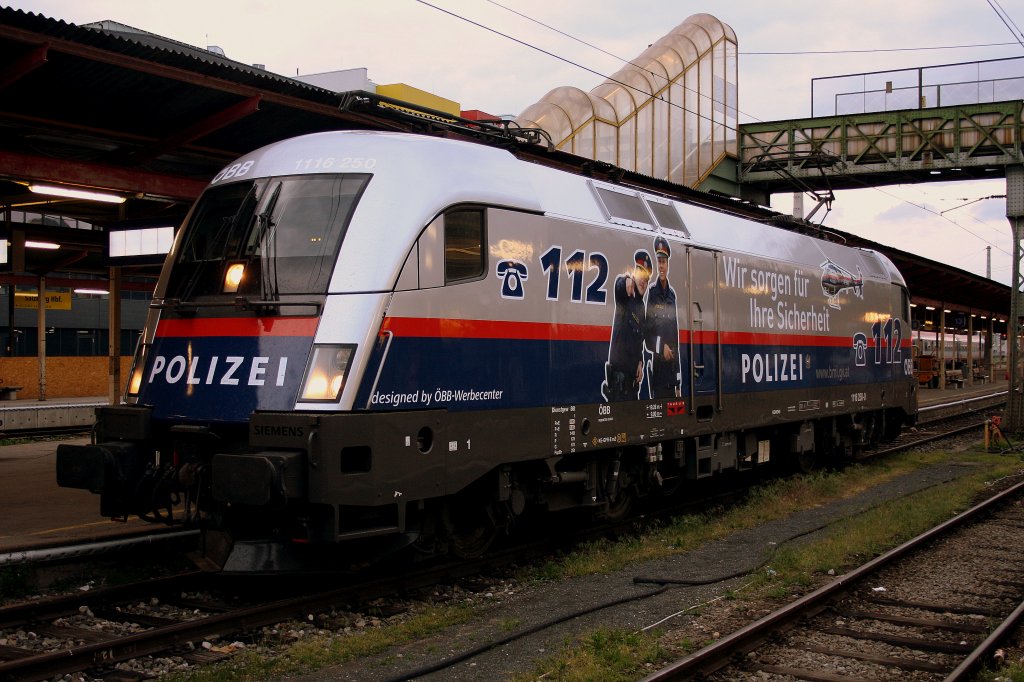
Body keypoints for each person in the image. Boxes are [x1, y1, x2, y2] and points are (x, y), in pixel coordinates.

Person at [603, 250, 652, 401]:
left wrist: (640, 362)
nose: (644, 281)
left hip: (632, 391)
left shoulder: (641, 307)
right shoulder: (625, 296)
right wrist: (625, 282)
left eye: (647, 279)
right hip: (618, 390)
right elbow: (619, 287)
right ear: (634, 273)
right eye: (641, 275)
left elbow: (639, 341)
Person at [646, 237, 681, 398]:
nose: (661, 266)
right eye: (659, 261)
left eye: (664, 262)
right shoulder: (652, 294)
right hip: (659, 373)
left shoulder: (672, 296)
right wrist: (661, 348)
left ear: (668, 265)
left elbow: (675, 338)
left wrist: (679, 381)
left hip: (672, 375)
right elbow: (647, 335)